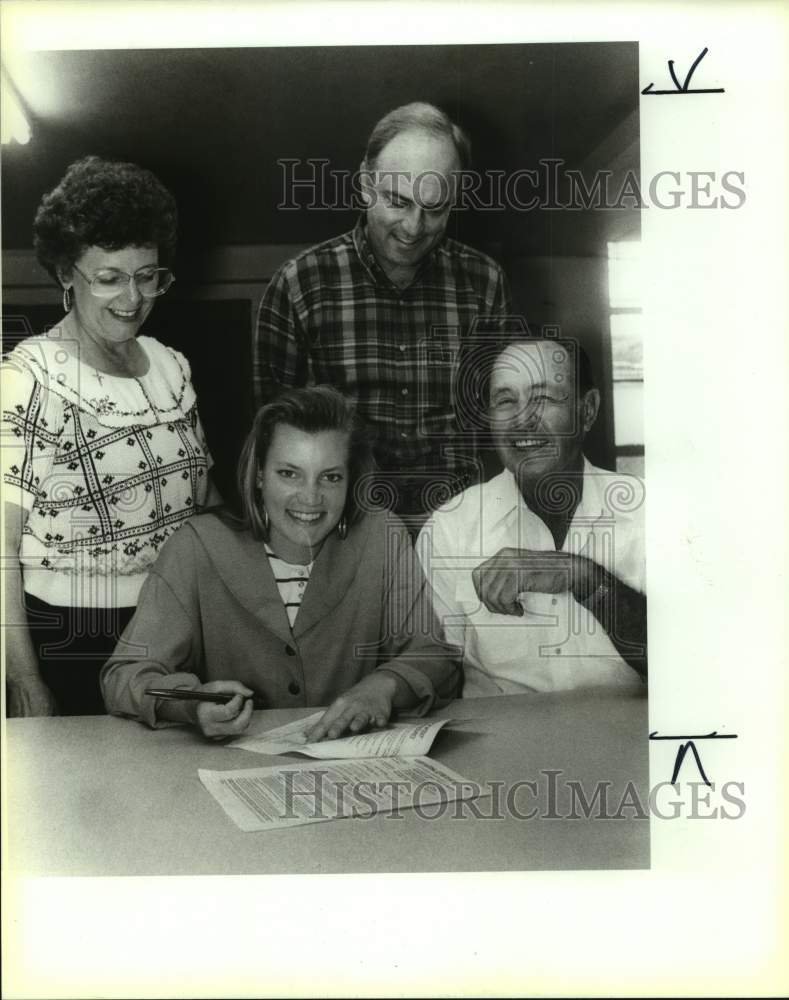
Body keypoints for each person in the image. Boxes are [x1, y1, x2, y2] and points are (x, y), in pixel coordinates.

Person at [101, 386, 460, 740]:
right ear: (259, 475)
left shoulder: (382, 536)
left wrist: (383, 687)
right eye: (289, 473)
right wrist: (192, 706)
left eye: (331, 477)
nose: (310, 497)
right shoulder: (197, 546)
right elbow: (125, 676)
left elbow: (433, 656)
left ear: (350, 480)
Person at [2, 156, 218, 718]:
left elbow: (205, 506)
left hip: (174, 629)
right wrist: (24, 681)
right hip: (71, 639)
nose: (133, 298)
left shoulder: (172, 367)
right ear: (65, 274)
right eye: (109, 278)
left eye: (148, 276)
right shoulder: (30, 377)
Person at [255, 101, 512, 522]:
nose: (414, 227)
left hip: (461, 529)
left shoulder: (486, 283)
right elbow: (270, 442)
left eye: (435, 209)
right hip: (341, 530)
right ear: (365, 184)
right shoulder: (297, 285)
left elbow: (499, 423)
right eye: (397, 201)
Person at [417, 334, 647, 696]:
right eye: (505, 400)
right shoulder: (450, 527)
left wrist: (583, 577)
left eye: (543, 398)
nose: (523, 419)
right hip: (500, 745)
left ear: (587, 411)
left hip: (627, 745)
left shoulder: (650, 513)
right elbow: (435, 667)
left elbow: (692, 663)